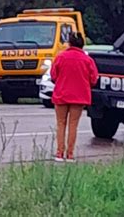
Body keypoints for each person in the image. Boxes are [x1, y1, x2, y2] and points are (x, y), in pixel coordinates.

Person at [50, 32, 98, 162]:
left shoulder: (61, 57)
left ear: (69, 43)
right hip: (79, 96)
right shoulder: (88, 60)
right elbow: (93, 79)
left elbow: (53, 75)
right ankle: (70, 154)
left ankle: (59, 153)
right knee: (73, 125)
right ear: (82, 45)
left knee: (61, 124)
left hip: (61, 94)